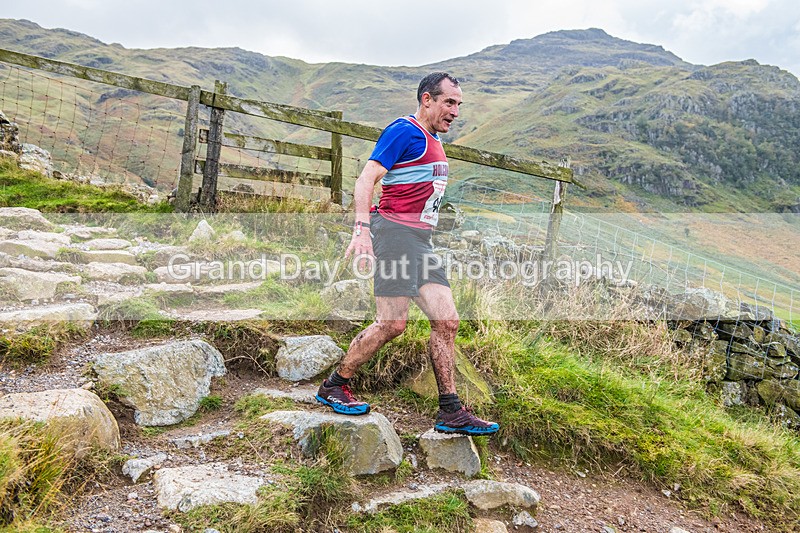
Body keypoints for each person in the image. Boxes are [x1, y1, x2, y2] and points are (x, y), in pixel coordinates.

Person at [315, 72, 499, 436]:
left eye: (459, 104)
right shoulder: (404, 130)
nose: (455, 111)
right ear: (427, 99)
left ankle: (451, 411)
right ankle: (334, 385)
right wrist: (362, 229)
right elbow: (367, 178)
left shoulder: (433, 140)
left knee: (447, 321)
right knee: (392, 324)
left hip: (419, 242)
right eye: (449, 102)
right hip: (395, 234)